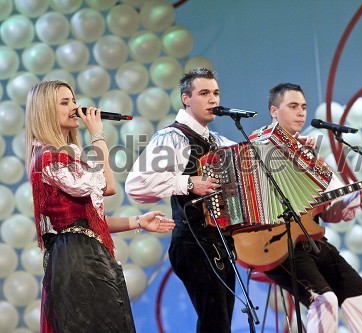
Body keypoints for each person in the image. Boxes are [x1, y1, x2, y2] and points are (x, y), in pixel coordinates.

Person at [25, 80, 175, 333]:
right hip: (77, 260)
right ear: (46, 111)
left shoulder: (66, 154)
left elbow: (88, 222)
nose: (75, 107)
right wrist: (98, 136)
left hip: (86, 252)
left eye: (73, 100)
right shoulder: (50, 158)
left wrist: (138, 221)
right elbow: (109, 185)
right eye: (65, 103)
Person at [253, 83, 362, 332]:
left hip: (311, 240)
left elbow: (332, 212)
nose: (301, 113)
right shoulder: (257, 145)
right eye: (293, 106)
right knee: (324, 300)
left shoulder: (311, 157)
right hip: (276, 246)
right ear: (274, 111)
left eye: (304, 107)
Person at [126, 68, 237, 333]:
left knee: (220, 324)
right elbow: (136, 184)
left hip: (220, 242)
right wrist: (186, 182)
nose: (213, 100)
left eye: (216, 93)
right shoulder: (172, 137)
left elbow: (252, 154)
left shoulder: (218, 141)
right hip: (192, 242)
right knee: (215, 324)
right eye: (204, 93)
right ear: (186, 98)